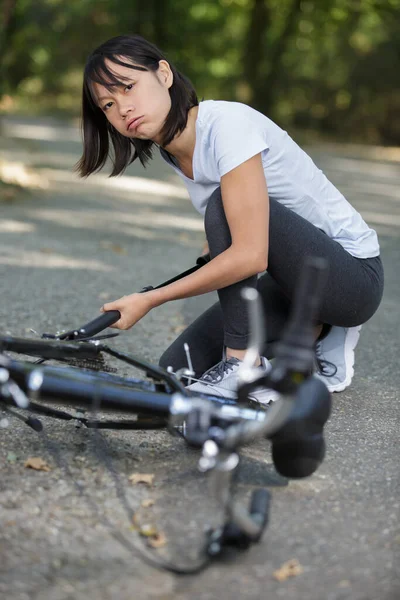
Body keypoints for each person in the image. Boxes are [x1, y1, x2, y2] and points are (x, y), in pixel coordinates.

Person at [76, 34, 384, 404]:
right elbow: (238, 235)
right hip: (291, 281)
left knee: (222, 204)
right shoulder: (176, 153)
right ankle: (307, 339)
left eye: (128, 87)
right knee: (178, 371)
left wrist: (151, 299)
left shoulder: (226, 125)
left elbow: (250, 255)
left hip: (351, 278)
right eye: (108, 104)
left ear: (164, 74)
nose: (122, 108)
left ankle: (244, 363)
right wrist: (215, 246)